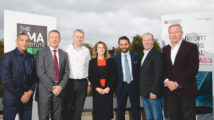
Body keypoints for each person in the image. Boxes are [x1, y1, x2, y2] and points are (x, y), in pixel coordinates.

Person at [163, 24, 199, 120]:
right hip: (171, 92)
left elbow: (193, 69)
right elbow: (163, 68)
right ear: (169, 34)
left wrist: (177, 83)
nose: (173, 35)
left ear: (182, 33)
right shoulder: (165, 49)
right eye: (171, 32)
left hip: (187, 91)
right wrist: (167, 81)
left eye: (176, 32)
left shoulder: (191, 47)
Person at [0, 33, 36, 120]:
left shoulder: (31, 57)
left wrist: (30, 91)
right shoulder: (8, 56)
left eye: (27, 41)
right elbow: (6, 79)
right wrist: (21, 94)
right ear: (17, 42)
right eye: (22, 40)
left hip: (27, 99)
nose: (25, 43)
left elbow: (34, 77)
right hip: (12, 99)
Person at [36, 30, 70, 120]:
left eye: (57, 37)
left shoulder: (64, 54)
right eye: (52, 37)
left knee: (57, 117)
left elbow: (67, 72)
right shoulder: (41, 52)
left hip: (59, 91)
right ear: (48, 39)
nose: (54, 39)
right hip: (45, 91)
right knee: (44, 117)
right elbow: (40, 72)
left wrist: (60, 86)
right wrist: (52, 88)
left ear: (60, 40)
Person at [63, 29, 91, 120]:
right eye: (77, 36)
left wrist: (89, 83)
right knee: (68, 108)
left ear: (83, 38)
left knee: (79, 109)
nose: (79, 39)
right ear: (73, 37)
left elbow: (88, 67)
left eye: (81, 37)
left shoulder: (86, 51)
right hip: (69, 82)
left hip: (83, 83)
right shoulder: (66, 50)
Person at [88, 41, 117, 120]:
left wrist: (109, 88)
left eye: (103, 47)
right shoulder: (92, 62)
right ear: (96, 50)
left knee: (107, 113)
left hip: (108, 90)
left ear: (105, 50)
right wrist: (97, 88)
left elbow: (113, 76)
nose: (101, 49)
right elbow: (91, 77)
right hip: (97, 91)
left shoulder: (111, 61)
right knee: (98, 114)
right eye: (99, 47)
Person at [114, 36, 141, 120]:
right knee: (120, 110)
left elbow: (140, 72)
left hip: (134, 86)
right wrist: (114, 90)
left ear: (129, 45)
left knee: (136, 109)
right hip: (121, 86)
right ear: (119, 45)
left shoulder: (136, 56)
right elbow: (114, 76)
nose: (123, 46)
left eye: (125, 44)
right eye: (121, 44)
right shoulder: (115, 59)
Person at [139, 33, 164, 120]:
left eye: (149, 40)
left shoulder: (157, 54)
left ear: (153, 41)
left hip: (153, 94)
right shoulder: (143, 54)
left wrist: (154, 91)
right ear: (142, 42)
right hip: (144, 93)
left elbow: (159, 74)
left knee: (157, 117)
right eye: (144, 40)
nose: (147, 42)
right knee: (149, 117)